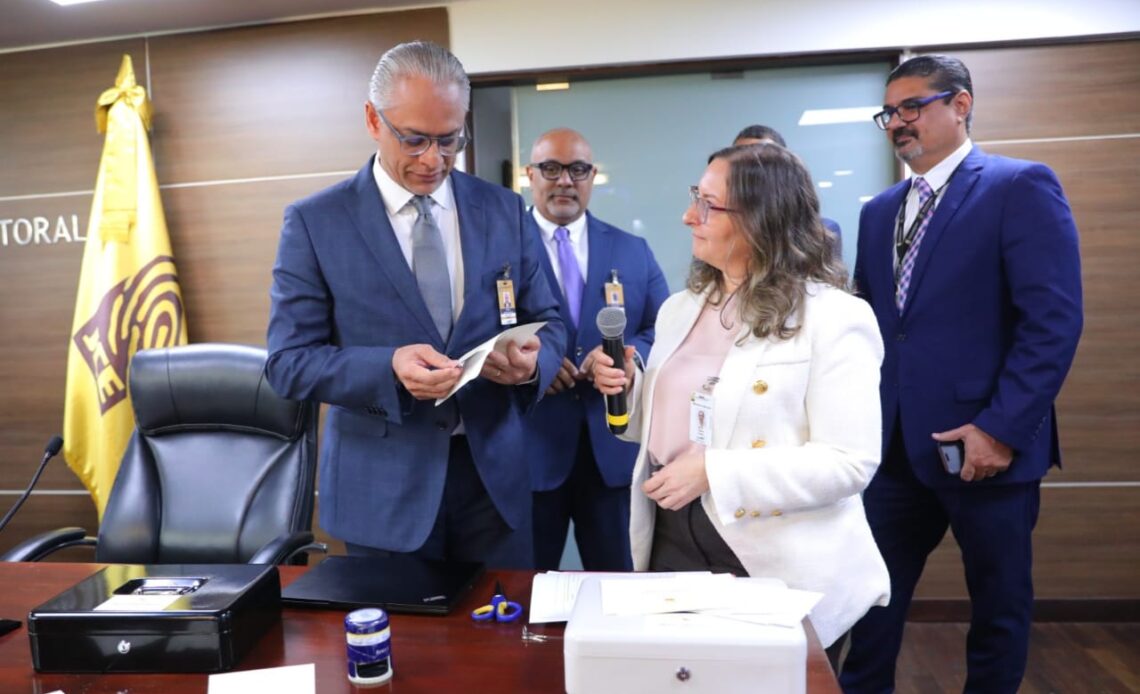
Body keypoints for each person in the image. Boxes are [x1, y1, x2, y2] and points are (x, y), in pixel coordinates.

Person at [265, 40, 566, 569]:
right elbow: (288, 363)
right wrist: (388, 367)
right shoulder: (316, 223)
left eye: (449, 140)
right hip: (382, 494)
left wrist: (532, 364)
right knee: (396, 627)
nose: (434, 159)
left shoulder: (502, 209)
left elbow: (551, 319)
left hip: (494, 485)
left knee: (504, 625)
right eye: (415, 139)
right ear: (372, 120)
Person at [839, 55, 1083, 693]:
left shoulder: (1018, 185)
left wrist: (1000, 429)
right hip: (894, 448)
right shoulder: (878, 212)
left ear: (961, 104)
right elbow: (876, 327)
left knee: (998, 609)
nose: (897, 122)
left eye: (911, 106)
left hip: (987, 448)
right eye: (889, 113)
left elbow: (1052, 322)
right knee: (869, 603)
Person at [589, 142, 890, 651]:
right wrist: (630, 387)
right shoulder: (681, 309)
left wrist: (715, 472)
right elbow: (672, 424)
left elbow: (849, 463)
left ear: (762, 219)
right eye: (695, 198)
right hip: (671, 535)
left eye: (708, 205)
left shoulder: (835, 317)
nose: (689, 217)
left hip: (774, 558)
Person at [524, 128, 669, 571]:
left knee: (620, 585)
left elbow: (663, 328)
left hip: (612, 452)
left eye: (578, 169)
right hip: (528, 454)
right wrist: (533, 364)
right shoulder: (500, 247)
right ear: (530, 175)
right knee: (525, 589)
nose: (565, 181)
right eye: (551, 168)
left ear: (592, 176)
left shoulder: (631, 249)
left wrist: (628, 356)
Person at [733, 124, 843, 243]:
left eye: (764, 161)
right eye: (740, 160)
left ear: (785, 166)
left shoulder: (822, 232)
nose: (751, 170)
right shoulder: (722, 226)